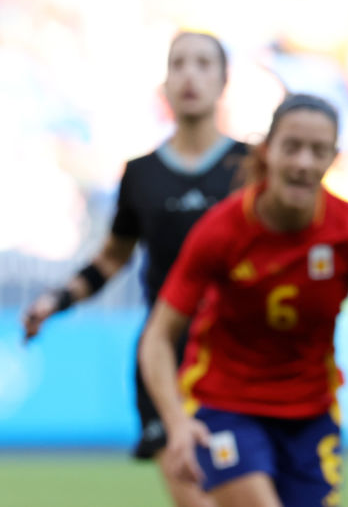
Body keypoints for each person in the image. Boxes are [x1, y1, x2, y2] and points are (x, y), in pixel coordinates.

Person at [139, 93, 348, 507]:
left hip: (311, 414)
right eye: (292, 147)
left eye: (318, 150)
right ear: (267, 151)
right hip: (223, 405)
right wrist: (175, 423)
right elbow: (157, 336)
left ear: (332, 158)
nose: (303, 162)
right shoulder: (222, 230)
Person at [22, 31, 247, 507]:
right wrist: (56, 301)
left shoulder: (252, 169)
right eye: (179, 63)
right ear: (164, 84)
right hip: (163, 354)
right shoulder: (140, 174)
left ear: (224, 81)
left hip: (238, 357)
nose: (190, 74)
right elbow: (112, 257)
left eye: (204, 64)